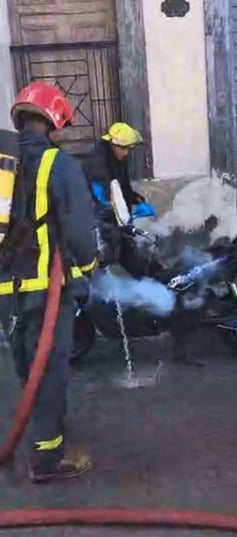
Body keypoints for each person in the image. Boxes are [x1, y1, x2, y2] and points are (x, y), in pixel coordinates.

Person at [1, 81, 99, 482]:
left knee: (28, 362)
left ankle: (42, 426)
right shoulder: (57, 163)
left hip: (6, 292)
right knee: (51, 367)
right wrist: (88, 269)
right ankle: (46, 458)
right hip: (46, 288)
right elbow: (79, 229)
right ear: (53, 119)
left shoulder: (5, 163)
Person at [82, 121, 146, 214]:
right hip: (101, 216)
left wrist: (136, 199)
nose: (126, 153)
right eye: (123, 148)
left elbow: (123, 186)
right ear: (112, 144)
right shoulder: (97, 163)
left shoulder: (118, 159)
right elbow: (104, 198)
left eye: (128, 148)